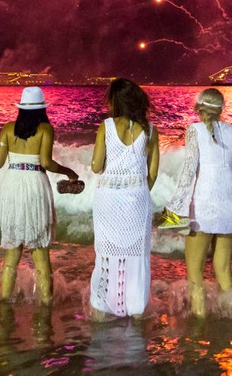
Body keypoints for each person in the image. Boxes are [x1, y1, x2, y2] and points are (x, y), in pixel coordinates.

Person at [160, 88, 232, 318]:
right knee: (223, 268)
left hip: (205, 200)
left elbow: (188, 171)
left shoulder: (194, 130)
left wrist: (174, 208)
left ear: (199, 108)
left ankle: (200, 321)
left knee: (195, 271)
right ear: (221, 109)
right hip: (230, 200)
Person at [0, 86, 80, 305]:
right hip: (35, 184)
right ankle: (46, 305)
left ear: (21, 108)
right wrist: (69, 172)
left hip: (12, 184)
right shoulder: (46, 129)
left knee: (12, 253)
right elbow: (46, 162)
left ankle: (4, 303)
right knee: (40, 253)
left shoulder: (8, 129)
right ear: (42, 109)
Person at [89, 78, 160, 318]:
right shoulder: (150, 131)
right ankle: (136, 311)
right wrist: (137, 192)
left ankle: (102, 310)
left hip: (108, 200)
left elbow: (96, 166)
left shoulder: (106, 126)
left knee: (105, 253)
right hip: (137, 199)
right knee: (136, 255)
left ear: (116, 101)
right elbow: (152, 174)